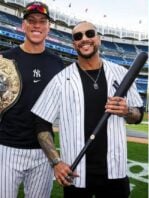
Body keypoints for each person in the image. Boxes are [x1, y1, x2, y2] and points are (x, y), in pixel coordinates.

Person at [31, 21, 144, 198]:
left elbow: (137, 116)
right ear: (74, 44)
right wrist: (56, 162)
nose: (84, 39)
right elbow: (41, 123)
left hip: (115, 172)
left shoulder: (121, 73)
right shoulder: (60, 80)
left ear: (99, 39)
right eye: (78, 36)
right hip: (76, 174)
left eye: (89, 34)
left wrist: (127, 110)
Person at [0, 1, 64, 198]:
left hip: (43, 152)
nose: (37, 25)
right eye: (31, 20)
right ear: (23, 25)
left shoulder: (57, 63)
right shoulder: (4, 60)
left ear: (48, 27)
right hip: (7, 148)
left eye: (42, 21)